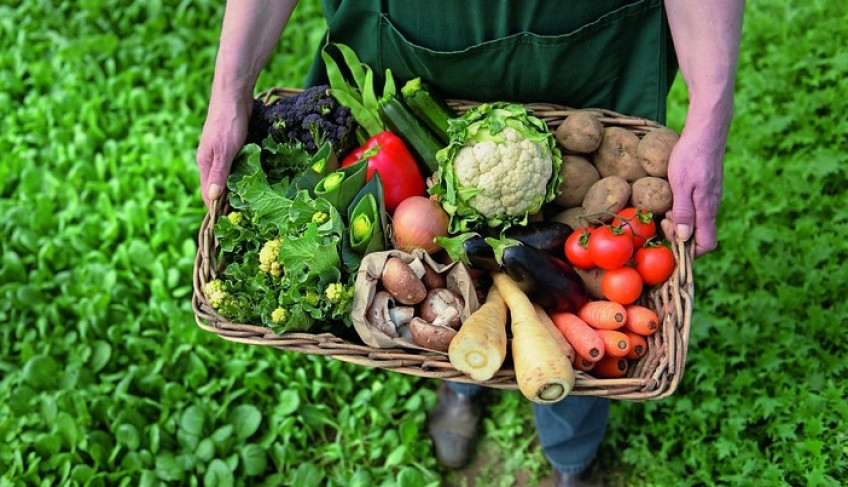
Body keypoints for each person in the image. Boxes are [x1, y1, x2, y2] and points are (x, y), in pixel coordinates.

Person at [197, 1, 744, 485]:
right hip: (405, 47)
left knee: (569, 320)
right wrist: (229, 90)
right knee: (466, 298)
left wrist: (711, 114)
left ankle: (572, 455)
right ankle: (461, 378)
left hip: (584, 52)